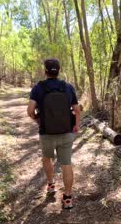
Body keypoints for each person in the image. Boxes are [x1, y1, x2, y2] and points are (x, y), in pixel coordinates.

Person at [27, 58, 81, 209]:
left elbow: (30, 111)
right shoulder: (68, 87)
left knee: (46, 158)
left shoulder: (38, 88)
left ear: (45, 71)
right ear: (59, 70)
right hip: (66, 133)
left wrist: (38, 119)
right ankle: (68, 198)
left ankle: (51, 185)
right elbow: (77, 110)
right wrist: (76, 125)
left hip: (46, 133)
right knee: (66, 164)